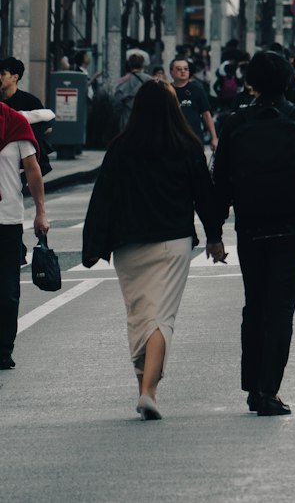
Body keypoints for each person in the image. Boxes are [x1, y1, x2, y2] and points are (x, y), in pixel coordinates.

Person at [82, 81, 225, 418]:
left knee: (138, 315)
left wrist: (93, 245)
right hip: (172, 241)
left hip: (128, 244)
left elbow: (103, 197)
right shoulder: (188, 145)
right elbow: (205, 195)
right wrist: (214, 236)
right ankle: (149, 392)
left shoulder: (121, 146)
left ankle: (142, 387)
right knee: (161, 317)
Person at [213, 51, 295, 416]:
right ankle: (268, 390)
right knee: (281, 307)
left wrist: (215, 231)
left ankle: (252, 386)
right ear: (289, 81)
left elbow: (221, 180)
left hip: (250, 224)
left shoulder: (234, 123)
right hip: (293, 224)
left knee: (255, 303)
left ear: (251, 83)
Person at [0, 100, 48, 371]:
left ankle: (4, 349)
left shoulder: (15, 124)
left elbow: (32, 170)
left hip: (7, 219)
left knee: (7, 293)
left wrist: (41, 212)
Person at [169, 58, 217, 150]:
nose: (183, 71)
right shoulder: (166, 90)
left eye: (186, 69)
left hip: (194, 138)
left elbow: (206, 115)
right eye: (179, 69)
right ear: (171, 72)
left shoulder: (197, 90)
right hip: (172, 139)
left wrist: (214, 138)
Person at [111, 52, 153, 132]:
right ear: (142, 65)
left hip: (127, 120)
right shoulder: (150, 80)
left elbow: (117, 103)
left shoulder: (123, 81)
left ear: (129, 64)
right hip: (146, 119)